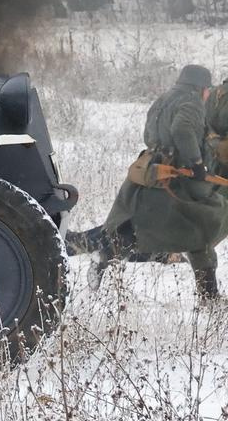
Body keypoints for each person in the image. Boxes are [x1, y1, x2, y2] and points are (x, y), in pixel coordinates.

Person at [69, 64, 228, 298]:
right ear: (200, 87)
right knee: (202, 227)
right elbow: (183, 129)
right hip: (177, 178)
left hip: (154, 172)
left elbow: (148, 134)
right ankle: (209, 295)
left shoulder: (165, 98)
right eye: (206, 89)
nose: (208, 94)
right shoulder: (191, 102)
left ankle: (103, 253)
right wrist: (195, 163)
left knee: (141, 228)